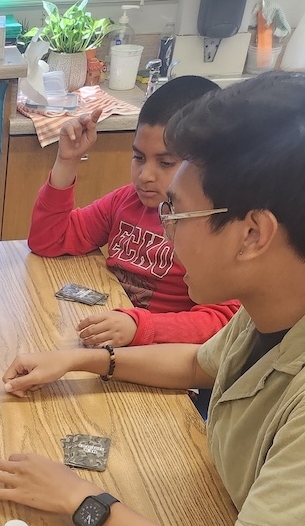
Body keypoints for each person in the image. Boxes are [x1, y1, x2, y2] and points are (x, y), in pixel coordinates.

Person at [0, 71, 305, 526]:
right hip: (220, 521)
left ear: (252, 234)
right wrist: (79, 360)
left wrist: (82, 499)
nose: (167, 228)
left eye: (178, 212)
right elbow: (196, 364)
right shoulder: (270, 308)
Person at [28, 75, 240, 347]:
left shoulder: (216, 226)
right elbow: (48, 241)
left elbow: (223, 323)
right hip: (110, 336)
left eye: (165, 163)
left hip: (162, 357)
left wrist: (141, 326)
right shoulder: (126, 201)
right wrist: (66, 161)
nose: (145, 176)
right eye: (138, 157)